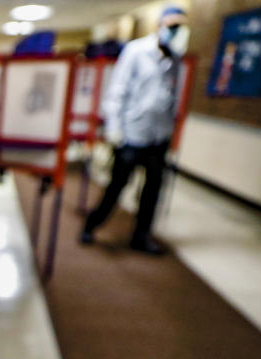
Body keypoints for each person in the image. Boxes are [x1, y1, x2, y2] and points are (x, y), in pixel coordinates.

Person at [80, 6, 190, 255]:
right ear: (159, 25)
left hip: (159, 135)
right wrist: (114, 130)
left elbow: (174, 97)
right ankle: (91, 225)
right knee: (117, 186)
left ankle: (141, 236)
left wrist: (172, 133)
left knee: (152, 191)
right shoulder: (137, 51)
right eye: (172, 25)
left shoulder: (175, 57)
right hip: (132, 135)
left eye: (181, 27)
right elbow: (117, 92)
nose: (176, 31)